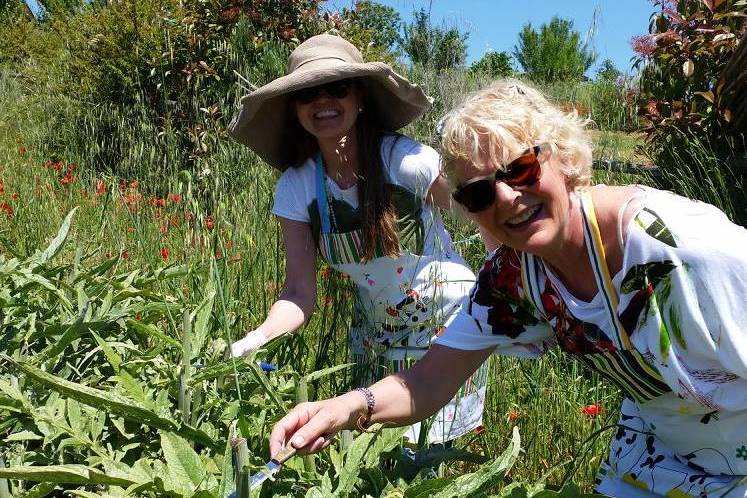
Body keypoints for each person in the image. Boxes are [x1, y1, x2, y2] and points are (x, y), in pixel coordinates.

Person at [269, 79, 747, 497]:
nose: (505, 197)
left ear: (561, 157)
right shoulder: (514, 275)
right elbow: (426, 382)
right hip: (659, 450)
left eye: (519, 169)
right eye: (478, 192)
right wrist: (343, 409)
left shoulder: (680, 252)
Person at [228, 33, 489, 445]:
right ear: (294, 108)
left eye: (338, 87)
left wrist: (503, 286)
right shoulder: (298, 187)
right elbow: (298, 293)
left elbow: (481, 213)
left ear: (360, 97)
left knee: (430, 461)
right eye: (308, 93)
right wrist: (257, 338)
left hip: (447, 326)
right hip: (373, 334)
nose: (323, 101)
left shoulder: (406, 162)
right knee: (371, 456)